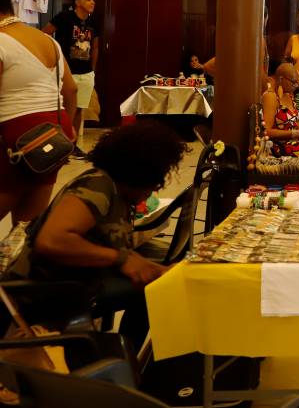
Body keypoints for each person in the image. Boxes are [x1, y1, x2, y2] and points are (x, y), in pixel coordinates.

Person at [24, 121, 187, 352]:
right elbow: (51, 241)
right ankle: (123, 359)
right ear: (143, 171)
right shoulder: (97, 186)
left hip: (75, 282)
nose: (156, 188)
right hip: (49, 289)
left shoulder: (113, 188)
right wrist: (122, 259)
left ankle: (127, 358)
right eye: (158, 178)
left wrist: (155, 269)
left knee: (156, 285)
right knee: (150, 292)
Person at [0, 0, 78, 223]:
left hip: (16, 136)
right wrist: (71, 129)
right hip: (53, 131)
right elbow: (71, 89)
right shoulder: (47, 40)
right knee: (27, 225)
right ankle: (21, 260)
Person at [44, 0, 99, 156]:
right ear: (78, 2)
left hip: (86, 72)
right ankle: (58, 144)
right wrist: (53, 59)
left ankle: (72, 145)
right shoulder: (64, 17)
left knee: (79, 109)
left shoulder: (93, 22)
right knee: (64, 109)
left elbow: (95, 47)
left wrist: (93, 70)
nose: (93, 2)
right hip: (67, 71)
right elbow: (44, 34)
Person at [262, 62, 299, 157]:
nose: (296, 86)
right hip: (277, 146)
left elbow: (287, 123)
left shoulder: (289, 95)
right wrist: (293, 133)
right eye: (293, 82)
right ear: (281, 79)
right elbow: (266, 131)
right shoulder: (271, 96)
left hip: (292, 142)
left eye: (298, 83)